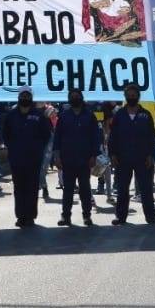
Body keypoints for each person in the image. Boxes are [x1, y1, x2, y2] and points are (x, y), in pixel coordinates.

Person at [109, 83, 155, 225]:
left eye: (134, 95)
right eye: (129, 95)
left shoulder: (146, 115)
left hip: (143, 158)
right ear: (125, 97)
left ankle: (151, 216)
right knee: (122, 189)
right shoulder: (119, 115)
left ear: (138, 96)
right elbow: (113, 136)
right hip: (122, 158)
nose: (131, 97)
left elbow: (152, 137)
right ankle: (121, 217)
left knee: (146, 189)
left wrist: (151, 155)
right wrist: (112, 154)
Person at [2, 87, 52, 227]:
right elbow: (5, 134)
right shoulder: (11, 115)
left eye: (27, 95)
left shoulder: (39, 115)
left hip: (34, 158)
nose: (25, 98)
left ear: (31, 97)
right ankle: (20, 216)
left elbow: (46, 134)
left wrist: (38, 148)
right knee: (19, 188)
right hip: (16, 158)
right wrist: (11, 147)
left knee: (32, 187)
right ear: (19, 97)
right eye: (22, 95)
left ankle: (30, 216)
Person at [53, 89, 102, 226]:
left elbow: (95, 137)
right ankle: (66, 216)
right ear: (69, 99)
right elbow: (57, 138)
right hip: (67, 159)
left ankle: (87, 216)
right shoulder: (63, 116)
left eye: (77, 96)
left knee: (85, 189)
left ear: (81, 97)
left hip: (85, 159)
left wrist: (94, 155)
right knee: (67, 189)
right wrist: (57, 156)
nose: (75, 98)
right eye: (72, 96)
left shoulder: (89, 115)